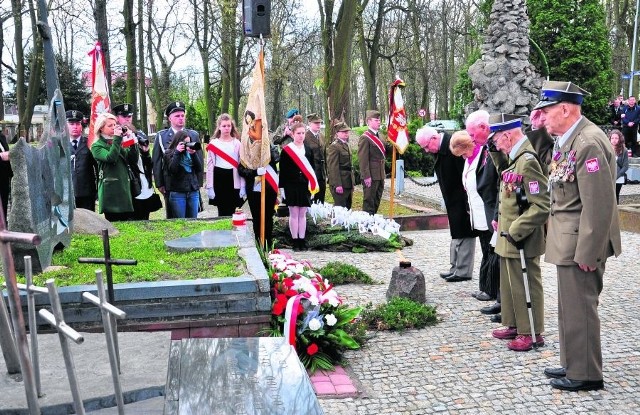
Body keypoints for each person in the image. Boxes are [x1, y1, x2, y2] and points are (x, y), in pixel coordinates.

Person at [530, 80, 622, 391]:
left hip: (581, 242)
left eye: (547, 111)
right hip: (568, 240)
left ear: (566, 109)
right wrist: (538, 131)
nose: (543, 116)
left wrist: (588, 251)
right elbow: (549, 169)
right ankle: (572, 362)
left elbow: (598, 204)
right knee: (570, 306)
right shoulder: (570, 140)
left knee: (581, 306)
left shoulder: (588, 143)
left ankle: (586, 374)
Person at [483, 114, 549, 352]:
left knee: (526, 284)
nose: (498, 144)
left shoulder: (528, 160)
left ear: (508, 135)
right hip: (507, 235)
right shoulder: (514, 158)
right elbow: (505, 175)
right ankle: (513, 323)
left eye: (498, 140)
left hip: (522, 236)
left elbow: (542, 204)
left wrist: (516, 229)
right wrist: (493, 149)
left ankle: (531, 332)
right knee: (510, 284)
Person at [416, 126, 475, 282]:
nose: (427, 151)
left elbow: (465, 173)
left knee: (464, 232)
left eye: (427, 146)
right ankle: (455, 267)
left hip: (462, 199)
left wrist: (467, 202)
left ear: (434, 138)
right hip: (452, 200)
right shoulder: (442, 148)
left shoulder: (453, 145)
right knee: (456, 232)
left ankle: (463, 270)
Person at [449, 130, 499, 307]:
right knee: (485, 251)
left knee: (491, 252)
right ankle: (485, 287)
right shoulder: (469, 160)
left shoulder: (482, 157)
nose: (463, 157)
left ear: (467, 146)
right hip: (476, 214)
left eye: (463, 153)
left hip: (486, 212)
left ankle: (490, 289)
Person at [464, 110, 502, 313]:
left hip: (495, 211)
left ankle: (499, 298)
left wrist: (496, 213)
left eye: (471, 134)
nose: (471, 139)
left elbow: (499, 185)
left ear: (482, 127)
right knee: (490, 252)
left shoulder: (495, 147)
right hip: (487, 210)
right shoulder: (487, 147)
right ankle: (496, 296)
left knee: (497, 255)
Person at [152, 102, 201, 218]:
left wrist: (198, 182)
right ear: (170, 118)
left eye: (182, 116)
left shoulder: (193, 135)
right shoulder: (162, 136)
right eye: (177, 116)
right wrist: (159, 183)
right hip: (172, 183)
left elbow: (199, 159)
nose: (181, 119)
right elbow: (157, 161)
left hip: (191, 183)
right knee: (174, 218)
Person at [91, 113, 139, 221]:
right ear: (101, 128)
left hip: (124, 187)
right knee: (114, 223)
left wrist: (132, 142)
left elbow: (132, 159)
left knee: (127, 223)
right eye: (110, 126)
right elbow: (110, 158)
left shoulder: (117, 141)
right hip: (110, 190)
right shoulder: (97, 146)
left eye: (115, 124)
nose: (114, 128)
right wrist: (117, 139)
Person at [113, 104, 157, 220]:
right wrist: (131, 142)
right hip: (130, 184)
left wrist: (146, 153)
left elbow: (148, 164)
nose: (127, 119)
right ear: (117, 118)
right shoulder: (116, 138)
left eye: (130, 116)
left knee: (145, 219)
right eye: (124, 116)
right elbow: (128, 159)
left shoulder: (139, 134)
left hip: (143, 183)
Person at [279, 120, 317, 250]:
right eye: (298, 133)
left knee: (302, 213)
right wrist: (282, 188)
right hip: (291, 185)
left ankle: (302, 239)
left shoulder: (308, 149)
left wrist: (312, 186)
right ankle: (295, 240)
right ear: (293, 134)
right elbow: (282, 171)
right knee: (294, 213)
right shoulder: (287, 151)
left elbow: (312, 169)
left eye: (303, 133)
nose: (301, 136)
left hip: (304, 185)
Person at [239, 143, 280, 250]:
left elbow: (276, 159)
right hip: (254, 188)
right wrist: (254, 172)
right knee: (257, 217)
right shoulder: (247, 149)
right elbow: (241, 170)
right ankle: (259, 243)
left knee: (268, 217)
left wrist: (268, 150)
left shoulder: (269, 146)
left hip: (269, 187)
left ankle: (268, 244)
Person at [205, 114, 246, 216]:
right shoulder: (214, 143)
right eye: (224, 126)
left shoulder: (237, 143)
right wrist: (210, 186)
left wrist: (243, 185)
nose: (227, 128)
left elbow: (242, 166)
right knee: (222, 211)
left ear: (232, 126)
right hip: (219, 178)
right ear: (219, 127)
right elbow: (209, 167)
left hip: (233, 178)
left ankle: (234, 231)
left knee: (234, 211)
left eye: (229, 125)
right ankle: (223, 232)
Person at [164, 130, 203, 219]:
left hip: (193, 191)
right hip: (178, 192)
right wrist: (177, 153)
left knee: (193, 220)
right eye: (184, 143)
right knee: (181, 221)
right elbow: (173, 170)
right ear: (177, 142)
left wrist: (193, 154)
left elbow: (199, 169)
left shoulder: (191, 153)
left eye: (188, 143)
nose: (187, 145)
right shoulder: (169, 153)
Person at [66, 110, 97, 211]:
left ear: (81, 125)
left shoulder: (90, 143)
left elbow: (97, 167)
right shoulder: (60, 145)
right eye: (71, 124)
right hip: (67, 193)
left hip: (87, 193)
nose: (75, 127)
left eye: (78, 123)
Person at [358, 110, 386, 214]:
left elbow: (386, 151)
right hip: (371, 175)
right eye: (376, 120)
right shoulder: (365, 138)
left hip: (380, 174)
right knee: (369, 200)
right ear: (369, 121)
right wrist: (366, 176)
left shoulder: (381, 136)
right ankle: (367, 224)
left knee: (377, 199)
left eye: (379, 120)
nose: (379, 122)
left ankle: (373, 221)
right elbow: (363, 159)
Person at [326, 122, 355, 209]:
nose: (346, 133)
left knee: (348, 206)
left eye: (347, 131)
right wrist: (337, 184)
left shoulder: (347, 145)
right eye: (343, 132)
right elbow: (333, 167)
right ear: (337, 133)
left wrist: (352, 181)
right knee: (340, 208)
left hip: (348, 181)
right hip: (340, 181)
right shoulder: (334, 147)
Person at [304, 113, 327, 203]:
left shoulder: (321, 136)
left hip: (321, 172)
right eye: (316, 123)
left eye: (320, 123)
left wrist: (326, 172)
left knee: (321, 197)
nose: (318, 125)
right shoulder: (305, 137)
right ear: (309, 123)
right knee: (310, 197)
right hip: (311, 171)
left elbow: (324, 154)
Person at [609, 129, 628, 204]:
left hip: (618, 178)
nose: (614, 140)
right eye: (612, 138)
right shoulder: (606, 148)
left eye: (616, 138)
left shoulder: (624, 150)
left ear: (620, 139)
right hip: (608, 177)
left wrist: (616, 176)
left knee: (615, 196)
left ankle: (616, 213)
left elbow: (625, 166)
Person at [0, 131, 12, 223]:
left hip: (4, 174)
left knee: (4, 199)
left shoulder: (1, 136)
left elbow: (7, 151)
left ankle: (3, 222)